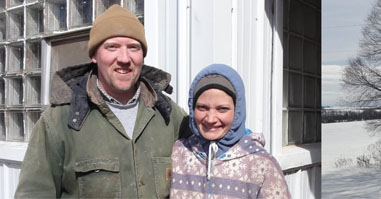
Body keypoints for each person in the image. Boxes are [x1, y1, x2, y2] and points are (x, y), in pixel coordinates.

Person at [15, 5, 189, 198]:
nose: (124, 58)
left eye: (133, 47)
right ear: (94, 55)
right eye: (112, 47)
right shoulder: (59, 121)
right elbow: (34, 193)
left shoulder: (170, 117)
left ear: (142, 56)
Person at [170, 64, 290, 198]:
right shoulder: (179, 153)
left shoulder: (261, 163)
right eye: (202, 107)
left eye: (222, 109)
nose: (210, 119)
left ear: (237, 111)